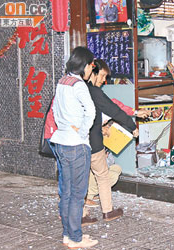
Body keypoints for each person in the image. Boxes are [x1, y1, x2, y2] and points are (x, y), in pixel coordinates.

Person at [83, 59, 150, 223]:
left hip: (77, 142)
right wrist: (132, 125)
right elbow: (113, 109)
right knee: (103, 176)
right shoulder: (93, 91)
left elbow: (114, 106)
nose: (103, 80)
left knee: (80, 178)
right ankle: (107, 211)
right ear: (93, 71)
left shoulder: (79, 89)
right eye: (103, 75)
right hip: (92, 142)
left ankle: (80, 214)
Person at [49, 46, 98, 248]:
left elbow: (53, 108)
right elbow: (92, 111)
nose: (91, 70)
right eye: (91, 66)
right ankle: (76, 238)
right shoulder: (78, 85)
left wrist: (64, 125)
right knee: (78, 196)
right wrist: (82, 131)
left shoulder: (62, 81)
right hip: (76, 145)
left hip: (60, 141)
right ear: (85, 65)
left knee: (66, 193)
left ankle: (68, 235)